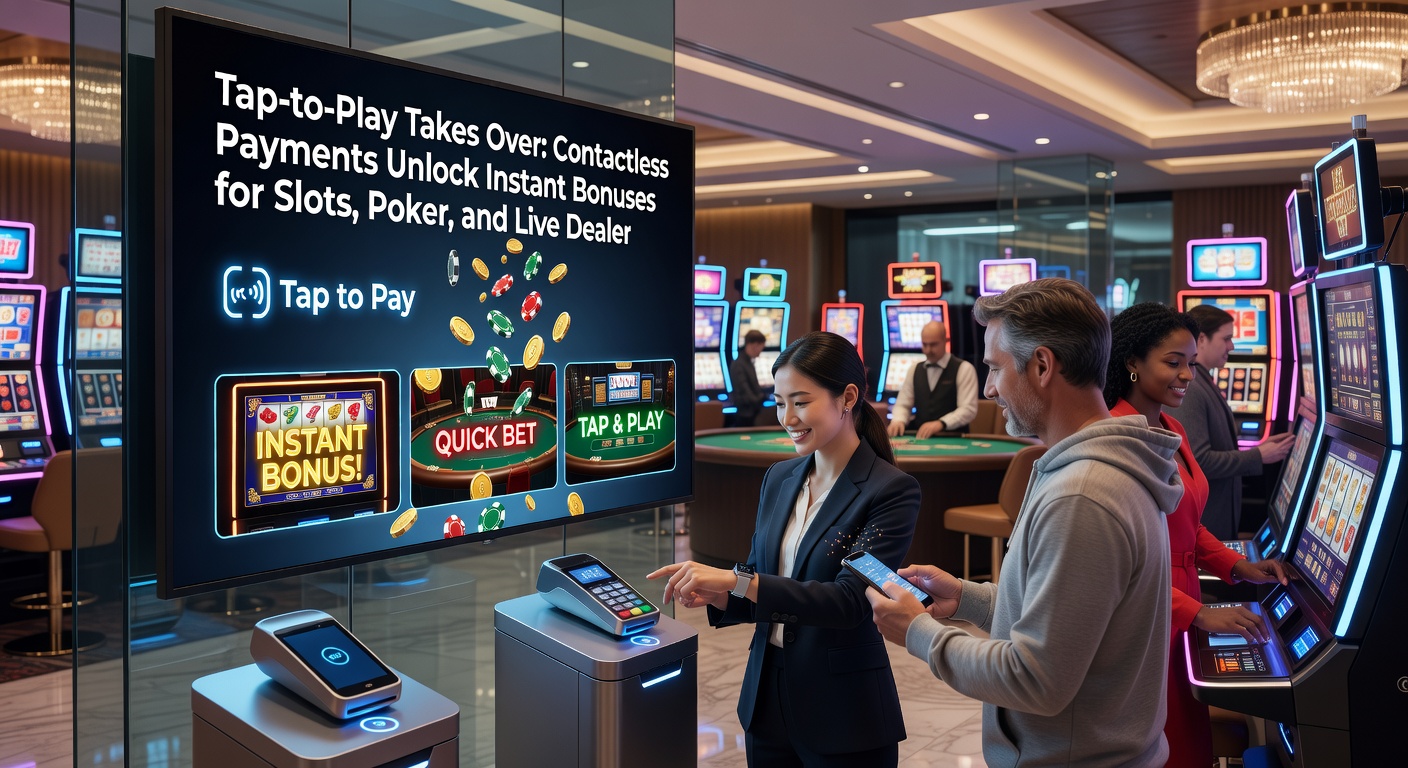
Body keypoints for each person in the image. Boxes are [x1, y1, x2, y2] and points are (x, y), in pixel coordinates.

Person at [866, 278, 1181, 768]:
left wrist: (918, 631)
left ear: (1041, 365)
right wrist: (967, 599)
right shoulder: (1095, 468)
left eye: (995, 368)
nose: (990, 388)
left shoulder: (1083, 494)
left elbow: (1036, 679)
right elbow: (1068, 620)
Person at [649, 331, 920, 767]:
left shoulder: (892, 491)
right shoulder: (779, 477)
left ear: (847, 397)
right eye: (779, 402)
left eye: (801, 401)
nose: (787, 417)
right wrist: (721, 595)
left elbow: (850, 602)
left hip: (845, 712)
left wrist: (737, 580)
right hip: (766, 699)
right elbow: (765, 580)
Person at [1104, 302, 1291, 768]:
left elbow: (1189, 522)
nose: (1187, 374)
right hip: (1145, 612)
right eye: (1173, 362)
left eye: (1190, 362)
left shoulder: (1172, 428)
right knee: (1160, 743)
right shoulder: (1114, 438)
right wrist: (1199, 615)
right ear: (1131, 361)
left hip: (1180, 601)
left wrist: (1235, 564)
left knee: (1187, 736)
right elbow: (1117, 571)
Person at [1165, 304, 1294, 539]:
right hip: (1204, 524)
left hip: (1215, 521)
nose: (1231, 346)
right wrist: (1259, 455)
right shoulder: (1192, 386)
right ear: (1202, 338)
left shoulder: (1203, 380)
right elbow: (1198, 461)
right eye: (1226, 338)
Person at [886, 320, 979, 437]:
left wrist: (941, 423)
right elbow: (903, 404)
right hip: (921, 437)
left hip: (954, 437)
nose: (928, 350)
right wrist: (898, 420)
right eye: (925, 344)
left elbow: (968, 409)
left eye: (933, 344)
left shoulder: (964, 369)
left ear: (946, 341)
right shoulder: (914, 369)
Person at [726, 329, 767, 428]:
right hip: (745, 414)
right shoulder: (739, 364)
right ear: (755, 345)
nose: (762, 350)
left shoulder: (748, 362)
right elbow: (745, 392)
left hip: (752, 411)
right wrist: (762, 398)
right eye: (762, 346)